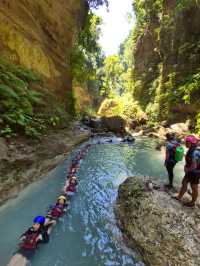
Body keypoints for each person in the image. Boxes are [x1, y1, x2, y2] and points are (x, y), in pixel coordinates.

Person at [173, 135, 200, 207]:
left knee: (194, 187)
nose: (185, 144)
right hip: (191, 172)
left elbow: (194, 165)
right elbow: (190, 160)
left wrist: (187, 169)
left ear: (191, 143)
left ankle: (192, 202)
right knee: (184, 182)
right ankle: (179, 197)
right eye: (186, 142)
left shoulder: (194, 152)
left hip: (195, 173)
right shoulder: (192, 149)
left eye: (187, 142)